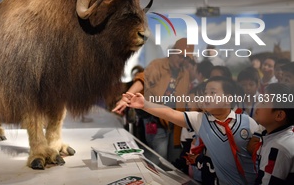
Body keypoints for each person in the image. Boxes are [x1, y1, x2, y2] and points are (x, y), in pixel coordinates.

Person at [114, 76, 258, 185]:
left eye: (212, 93)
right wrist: (144, 104)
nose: (206, 96)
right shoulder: (201, 120)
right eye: (205, 93)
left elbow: (259, 157)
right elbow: (170, 113)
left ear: (228, 99)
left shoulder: (248, 123)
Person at [114, 38, 193, 163]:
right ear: (172, 52)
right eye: (181, 56)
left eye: (187, 58)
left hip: (175, 123)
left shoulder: (184, 73)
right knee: (159, 158)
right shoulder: (158, 65)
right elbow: (142, 79)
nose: (183, 60)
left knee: (174, 160)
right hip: (156, 120)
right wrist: (128, 96)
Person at [253, 83, 294, 184]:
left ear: (279, 115)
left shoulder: (279, 147)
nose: (257, 105)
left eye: (263, 102)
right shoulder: (271, 135)